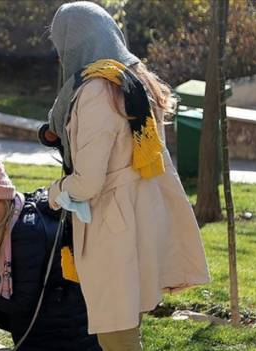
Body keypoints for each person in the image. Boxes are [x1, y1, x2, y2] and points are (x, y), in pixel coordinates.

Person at [43, 2, 210, 350]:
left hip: (112, 226)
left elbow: (88, 181)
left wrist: (55, 191)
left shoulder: (95, 91)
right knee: (126, 329)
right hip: (141, 214)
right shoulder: (134, 80)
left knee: (117, 337)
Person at [0, 160, 100, 351]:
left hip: (61, 338)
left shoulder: (25, 233)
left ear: (4, 197)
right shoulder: (15, 218)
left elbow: (23, 306)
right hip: (57, 330)